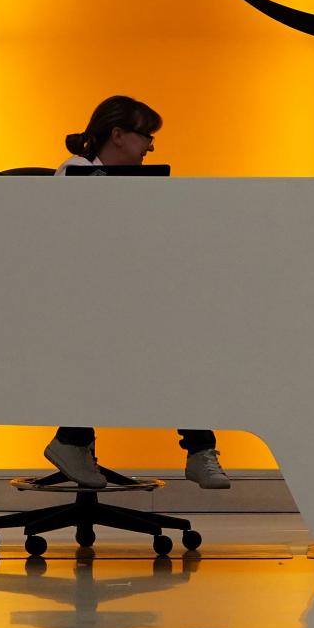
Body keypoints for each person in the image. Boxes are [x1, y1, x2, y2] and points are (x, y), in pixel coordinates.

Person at [47, 95, 230, 490]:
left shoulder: (138, 187)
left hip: (123, 298)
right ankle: (74, 440)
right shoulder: (74, 173)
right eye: (147, 136)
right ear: (117, 135)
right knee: (160, 338)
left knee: (186, 340)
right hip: (79, 302)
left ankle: (196, 449)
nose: (150, 146)